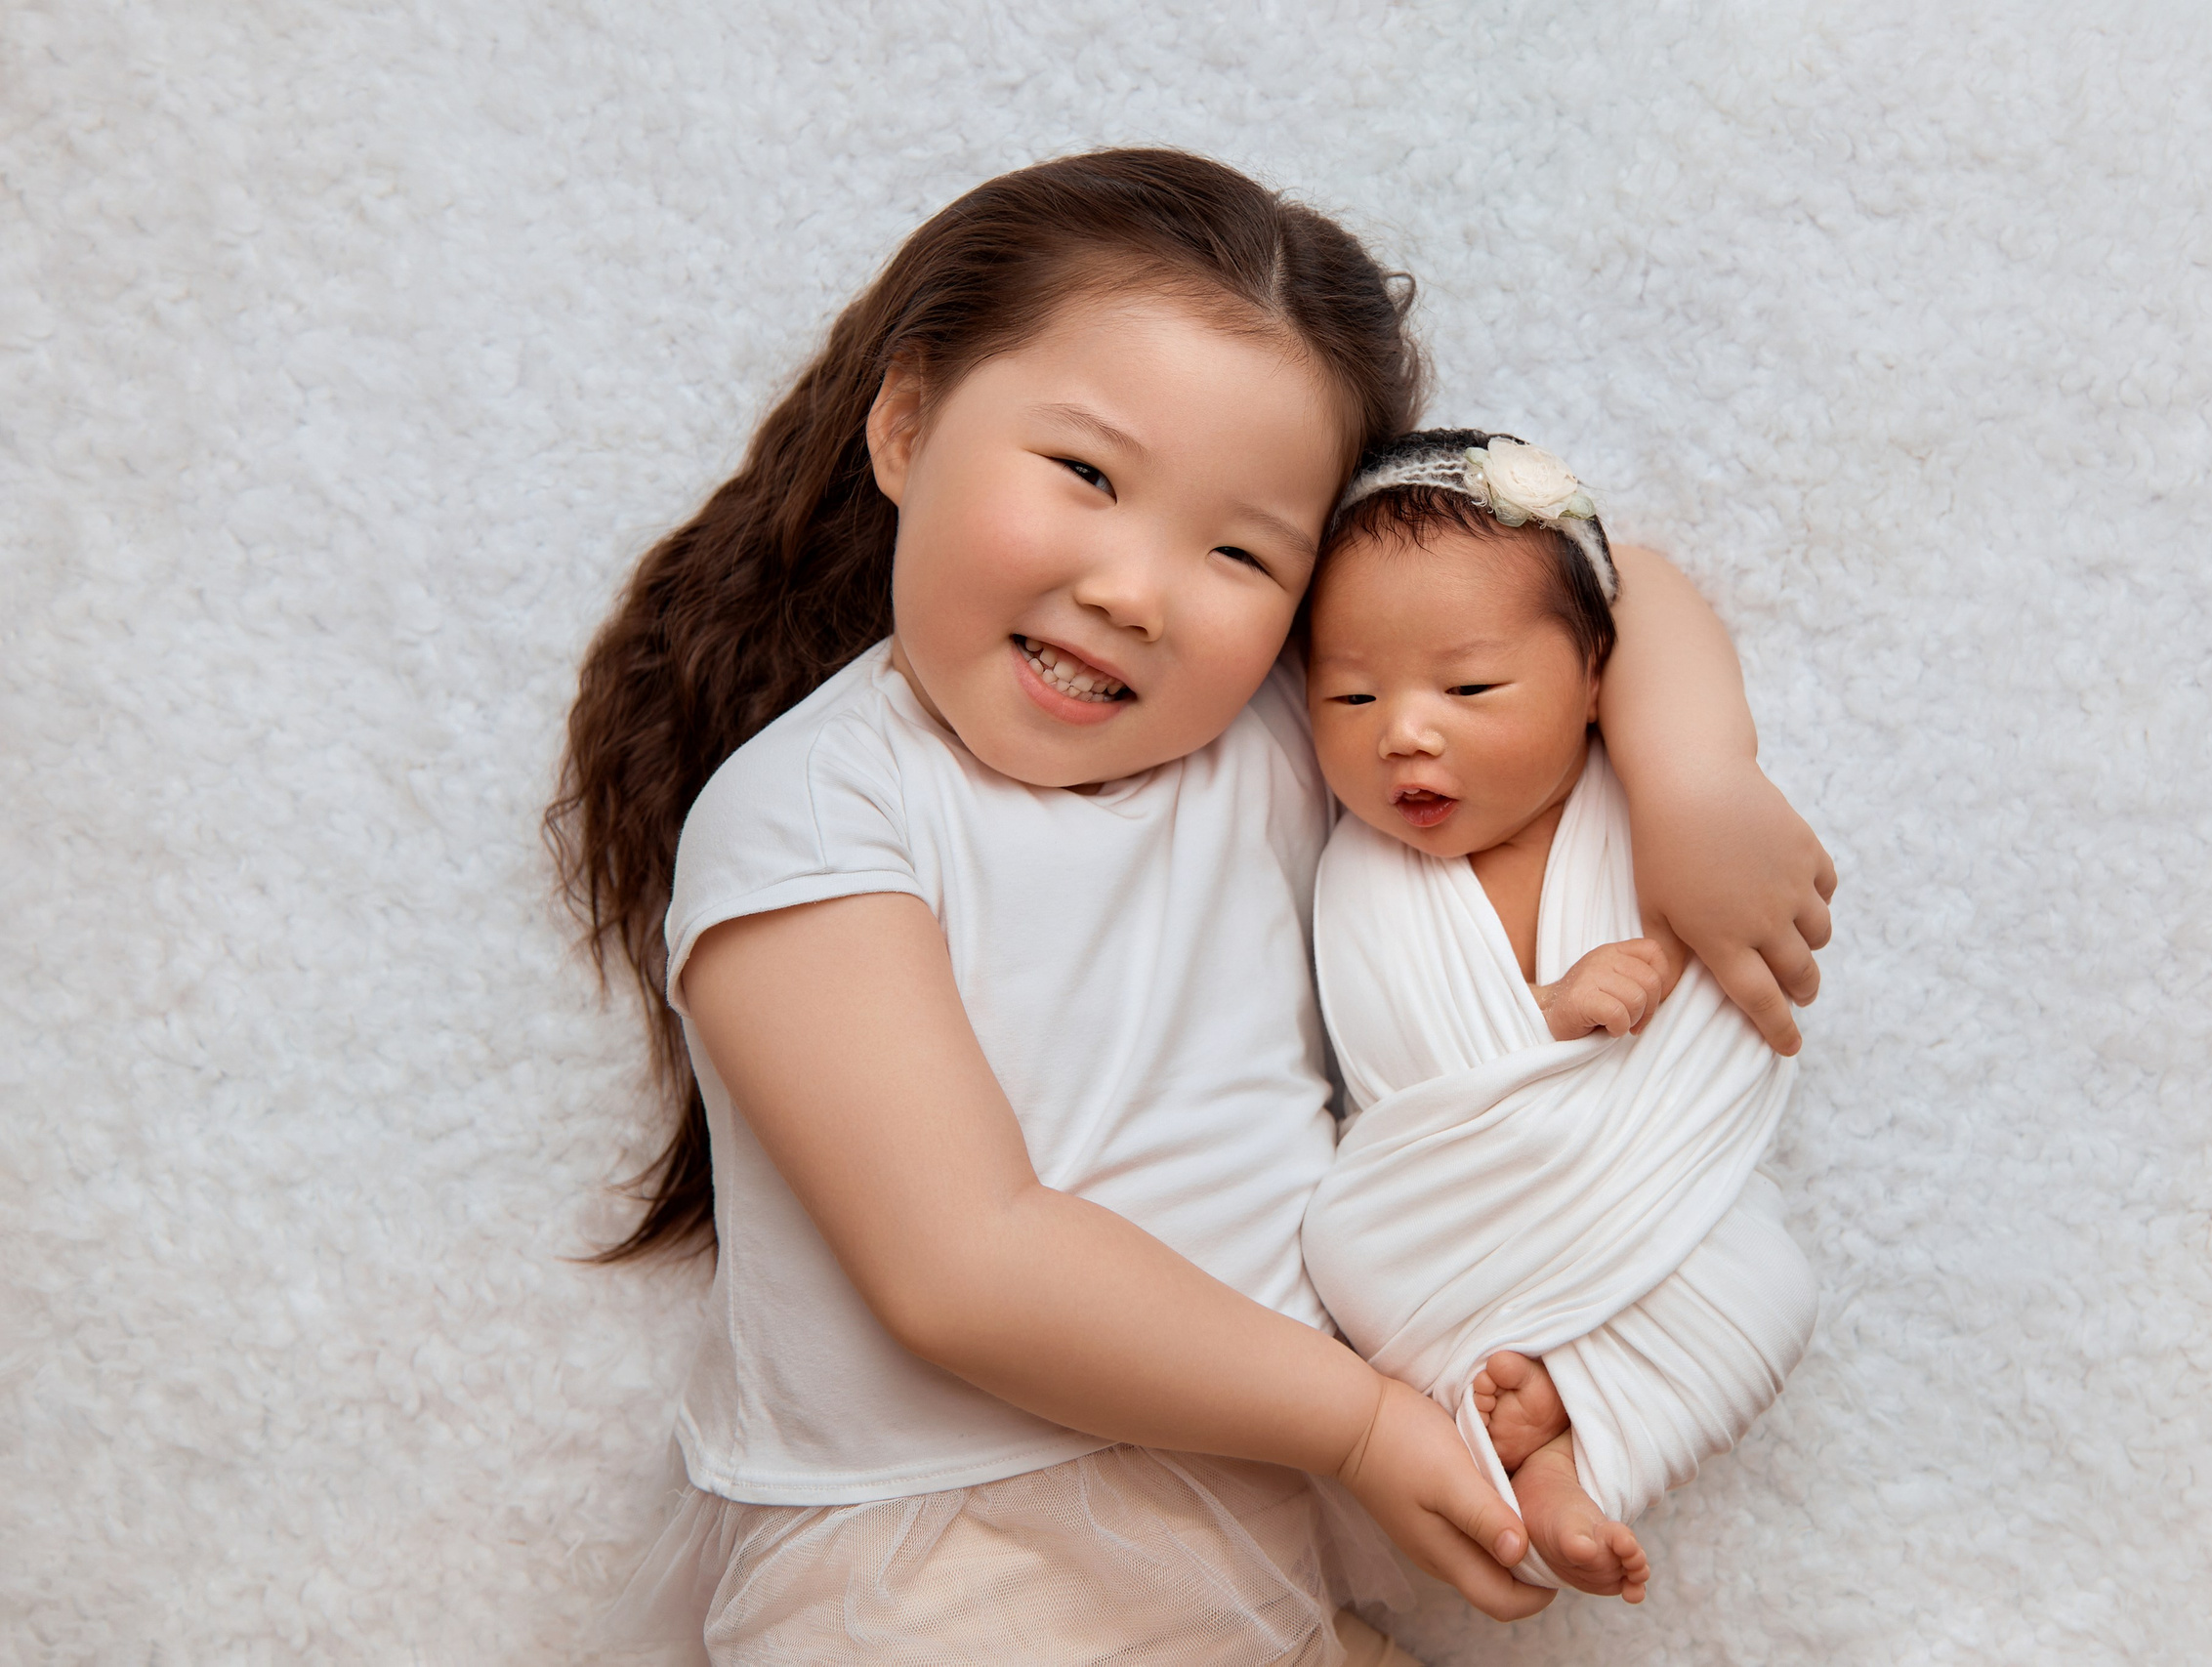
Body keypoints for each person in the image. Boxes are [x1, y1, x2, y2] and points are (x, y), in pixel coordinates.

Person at [548, 152, 1834, 1663]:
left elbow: (1599, 576)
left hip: (1240, 1525)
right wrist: (1357, 1422)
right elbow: (963, 1262)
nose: (1139, 591)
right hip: (948, 1560)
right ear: (906, 423)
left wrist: (1691, 779)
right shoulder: (816, 814)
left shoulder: (1274, 729)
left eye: (1241, 551)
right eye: (1085, 475)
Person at [1299, 432, 1822, 1608]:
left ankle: (1568, 1447)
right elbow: (1415, 1077)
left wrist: (1698, 786)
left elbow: (1709, 969)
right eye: (1350, 694)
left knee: (1768, 1295)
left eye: (1470, 689)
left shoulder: (1630, 801)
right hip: (1447, 1205)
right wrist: (1545, 1014)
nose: (1404, 733)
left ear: (1594, 683)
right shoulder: (1366, 880)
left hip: (1644, 1170)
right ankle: (1535, 1420)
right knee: (1350, 1257)